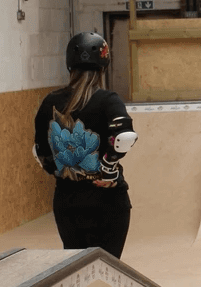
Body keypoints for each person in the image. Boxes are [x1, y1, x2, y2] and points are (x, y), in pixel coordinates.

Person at [33, 32, 138, 259]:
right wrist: (107, 169)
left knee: (78, 273)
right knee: (108, 270)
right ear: (104, 64)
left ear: (69, 64)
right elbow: (125, 137)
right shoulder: (108, 100)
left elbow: (39, 151)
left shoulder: (50, 101)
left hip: (68, 202)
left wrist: (59, 171)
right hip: (107, 201)